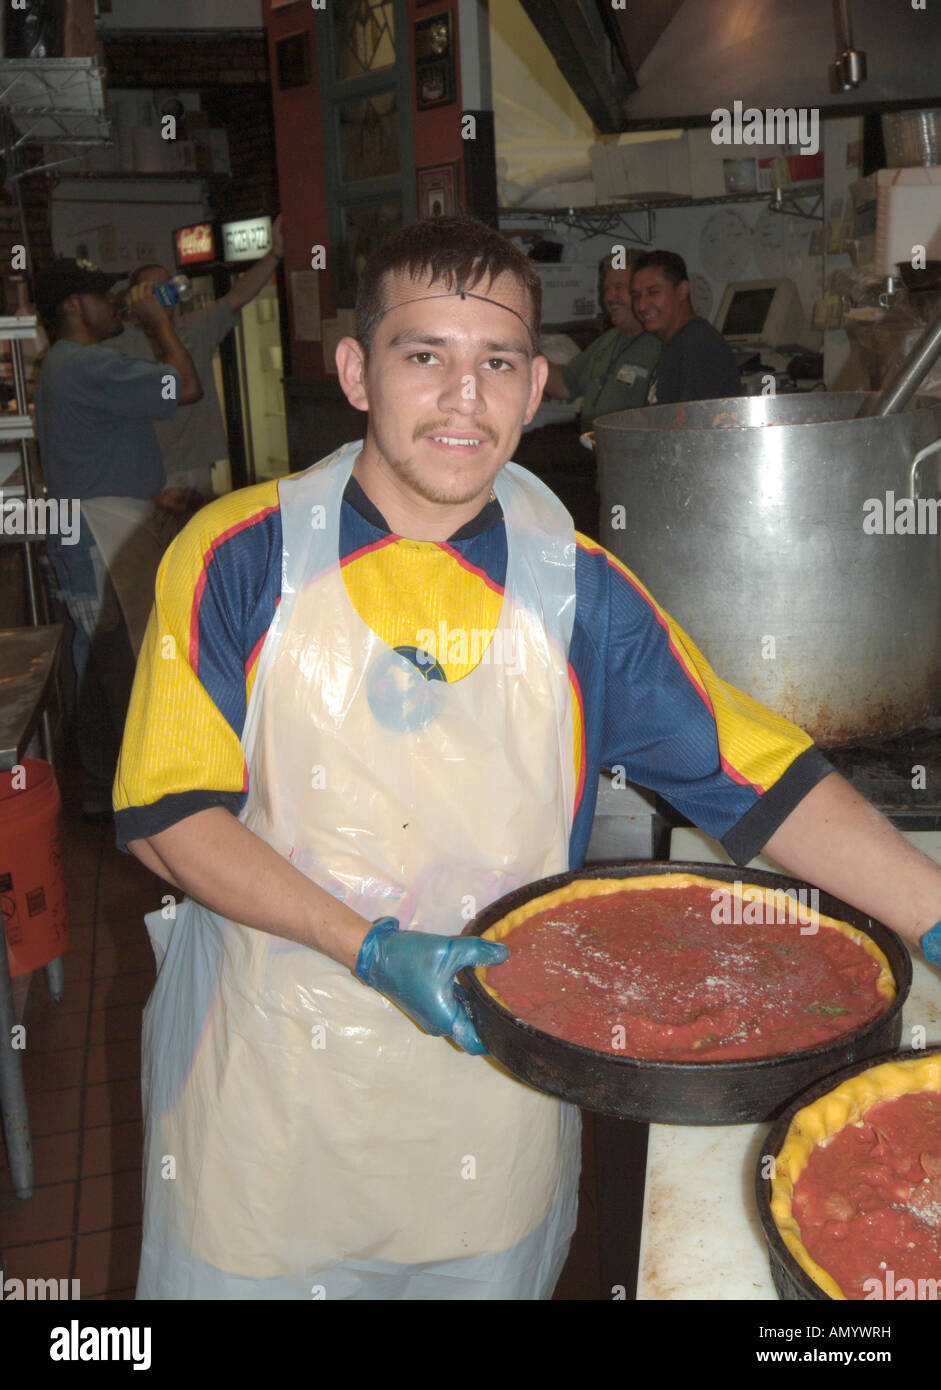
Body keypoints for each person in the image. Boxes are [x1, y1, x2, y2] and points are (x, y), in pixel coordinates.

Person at [114, 215, 941, 1301]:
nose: (465, 397)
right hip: (268, 1124)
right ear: (357, 371)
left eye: (495, 362)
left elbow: (759, 778)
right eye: (426, 356)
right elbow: (170, 820)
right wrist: (366, 948)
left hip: (489, 1119)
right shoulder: (235, 556)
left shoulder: (577, 591)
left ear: (535, 382)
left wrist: (930, 908)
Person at [33, 258, 202, 817]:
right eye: (101, 296)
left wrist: (146, 495)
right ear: (72, 308)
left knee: (99, 655)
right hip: (99, 531)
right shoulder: (86, 363)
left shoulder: (64, 364)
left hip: (95, 521)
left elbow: (96, 449)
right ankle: (128, 798)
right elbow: (187, 387)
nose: (116, 303)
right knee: (120, 660)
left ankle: (100, 792)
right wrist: (160, 326)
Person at [116, 213, 284, 519]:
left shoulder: (192, 329)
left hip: (199, 464)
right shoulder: (119, 345)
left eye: (170, 288)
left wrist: (275, 254)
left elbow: (237, 296)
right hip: (152, 474)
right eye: (155, 292)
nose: (167, 298)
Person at [542, 252, 661, 425]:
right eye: (607, 289)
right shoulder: (608, 340)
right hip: (593, 447)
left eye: (619, 287)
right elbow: (565, 384)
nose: (609, 297)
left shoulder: (660, 346)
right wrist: (524, 348)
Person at [630, 249, 742, 405]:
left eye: (653, 292)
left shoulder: (699, 346)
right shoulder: (680, 343)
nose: (642, 306)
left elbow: (697, 425)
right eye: (636, 296)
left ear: (682, 290)